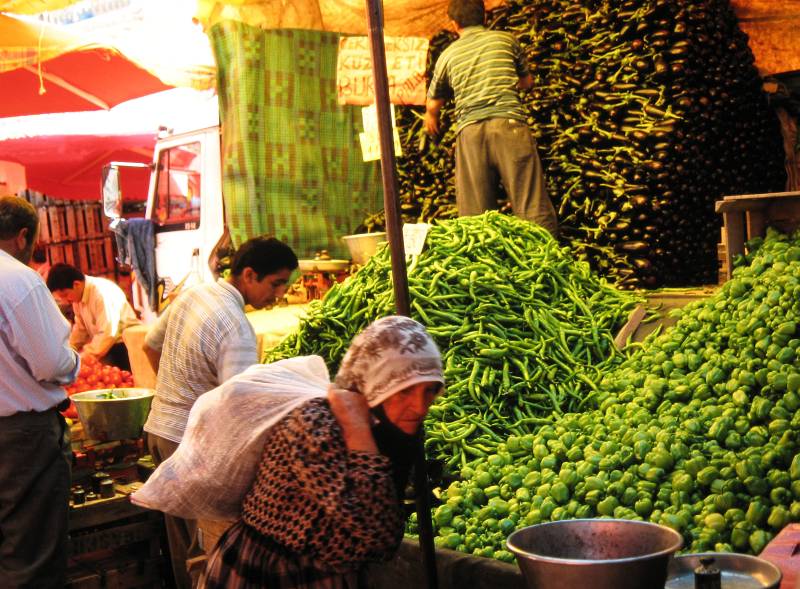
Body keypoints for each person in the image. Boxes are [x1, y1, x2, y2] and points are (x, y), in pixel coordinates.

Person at [199, 315, 444, 589]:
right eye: (405, 392)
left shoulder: (393, 431)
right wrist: (357, 430)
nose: (420, 407)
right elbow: (379, 535)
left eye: (430, 391)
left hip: (328, 573)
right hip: (270, 572)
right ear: (376, 384)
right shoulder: (316, 426)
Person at [143, 235, 298, 589]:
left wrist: (176, 395)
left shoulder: (194, 294)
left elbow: (150, 345)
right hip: (190, 445)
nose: (277, 295)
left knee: (183, 547)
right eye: (275, 284)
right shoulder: (236, 326)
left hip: (159, 432)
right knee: (208, 553)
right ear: (248, 275)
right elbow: (238, 410)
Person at [425, 0, 559, 236]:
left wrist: (431, 118)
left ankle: (483, 265)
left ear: (454, 25)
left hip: (471, 133)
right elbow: (527, 83)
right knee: (530, 201)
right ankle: (547, 260)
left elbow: (433, 103)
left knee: (475, 214)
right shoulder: (505, 40)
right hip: (509, 126)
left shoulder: (447, 55)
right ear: (484, 18)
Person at [0, 195, 80, 588]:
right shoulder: (17, 278)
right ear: (23, 236)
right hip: (21, 439)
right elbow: (50, 364)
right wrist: (75, 361)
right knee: (30, 556)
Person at [47, 263, 141, 371]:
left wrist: (84, 356)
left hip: (124, 347)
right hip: (105, 346)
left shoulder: (102, 293)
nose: (65, 301)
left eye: (65, 295)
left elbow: (108, 333)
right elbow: (80, 330)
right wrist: (68, 350)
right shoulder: (77, 298)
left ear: (76, 284)